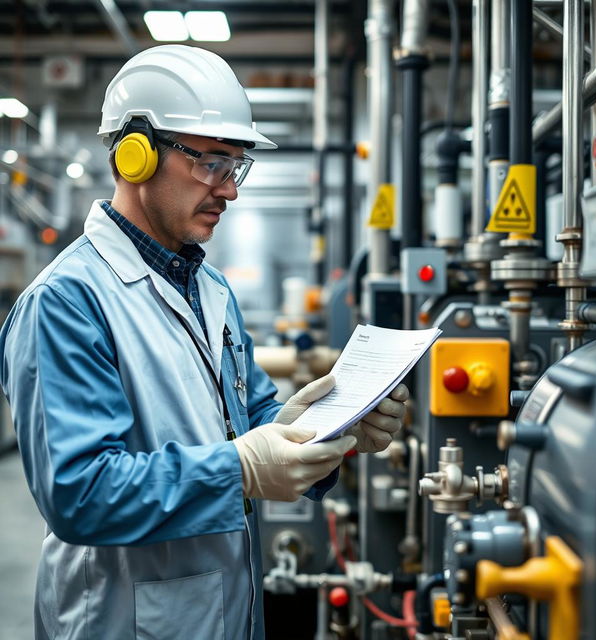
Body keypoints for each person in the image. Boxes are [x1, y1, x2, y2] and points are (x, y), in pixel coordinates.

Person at [0, 45, 408, 640]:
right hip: (120, 621)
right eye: (213, 163)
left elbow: (253, 420)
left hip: (227, 613)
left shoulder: (209, 287)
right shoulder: (66, 302)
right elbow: (80, 494)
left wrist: (332, 430)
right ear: (136, 156)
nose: (230, 191)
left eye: (236, 167)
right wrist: (239, 470)